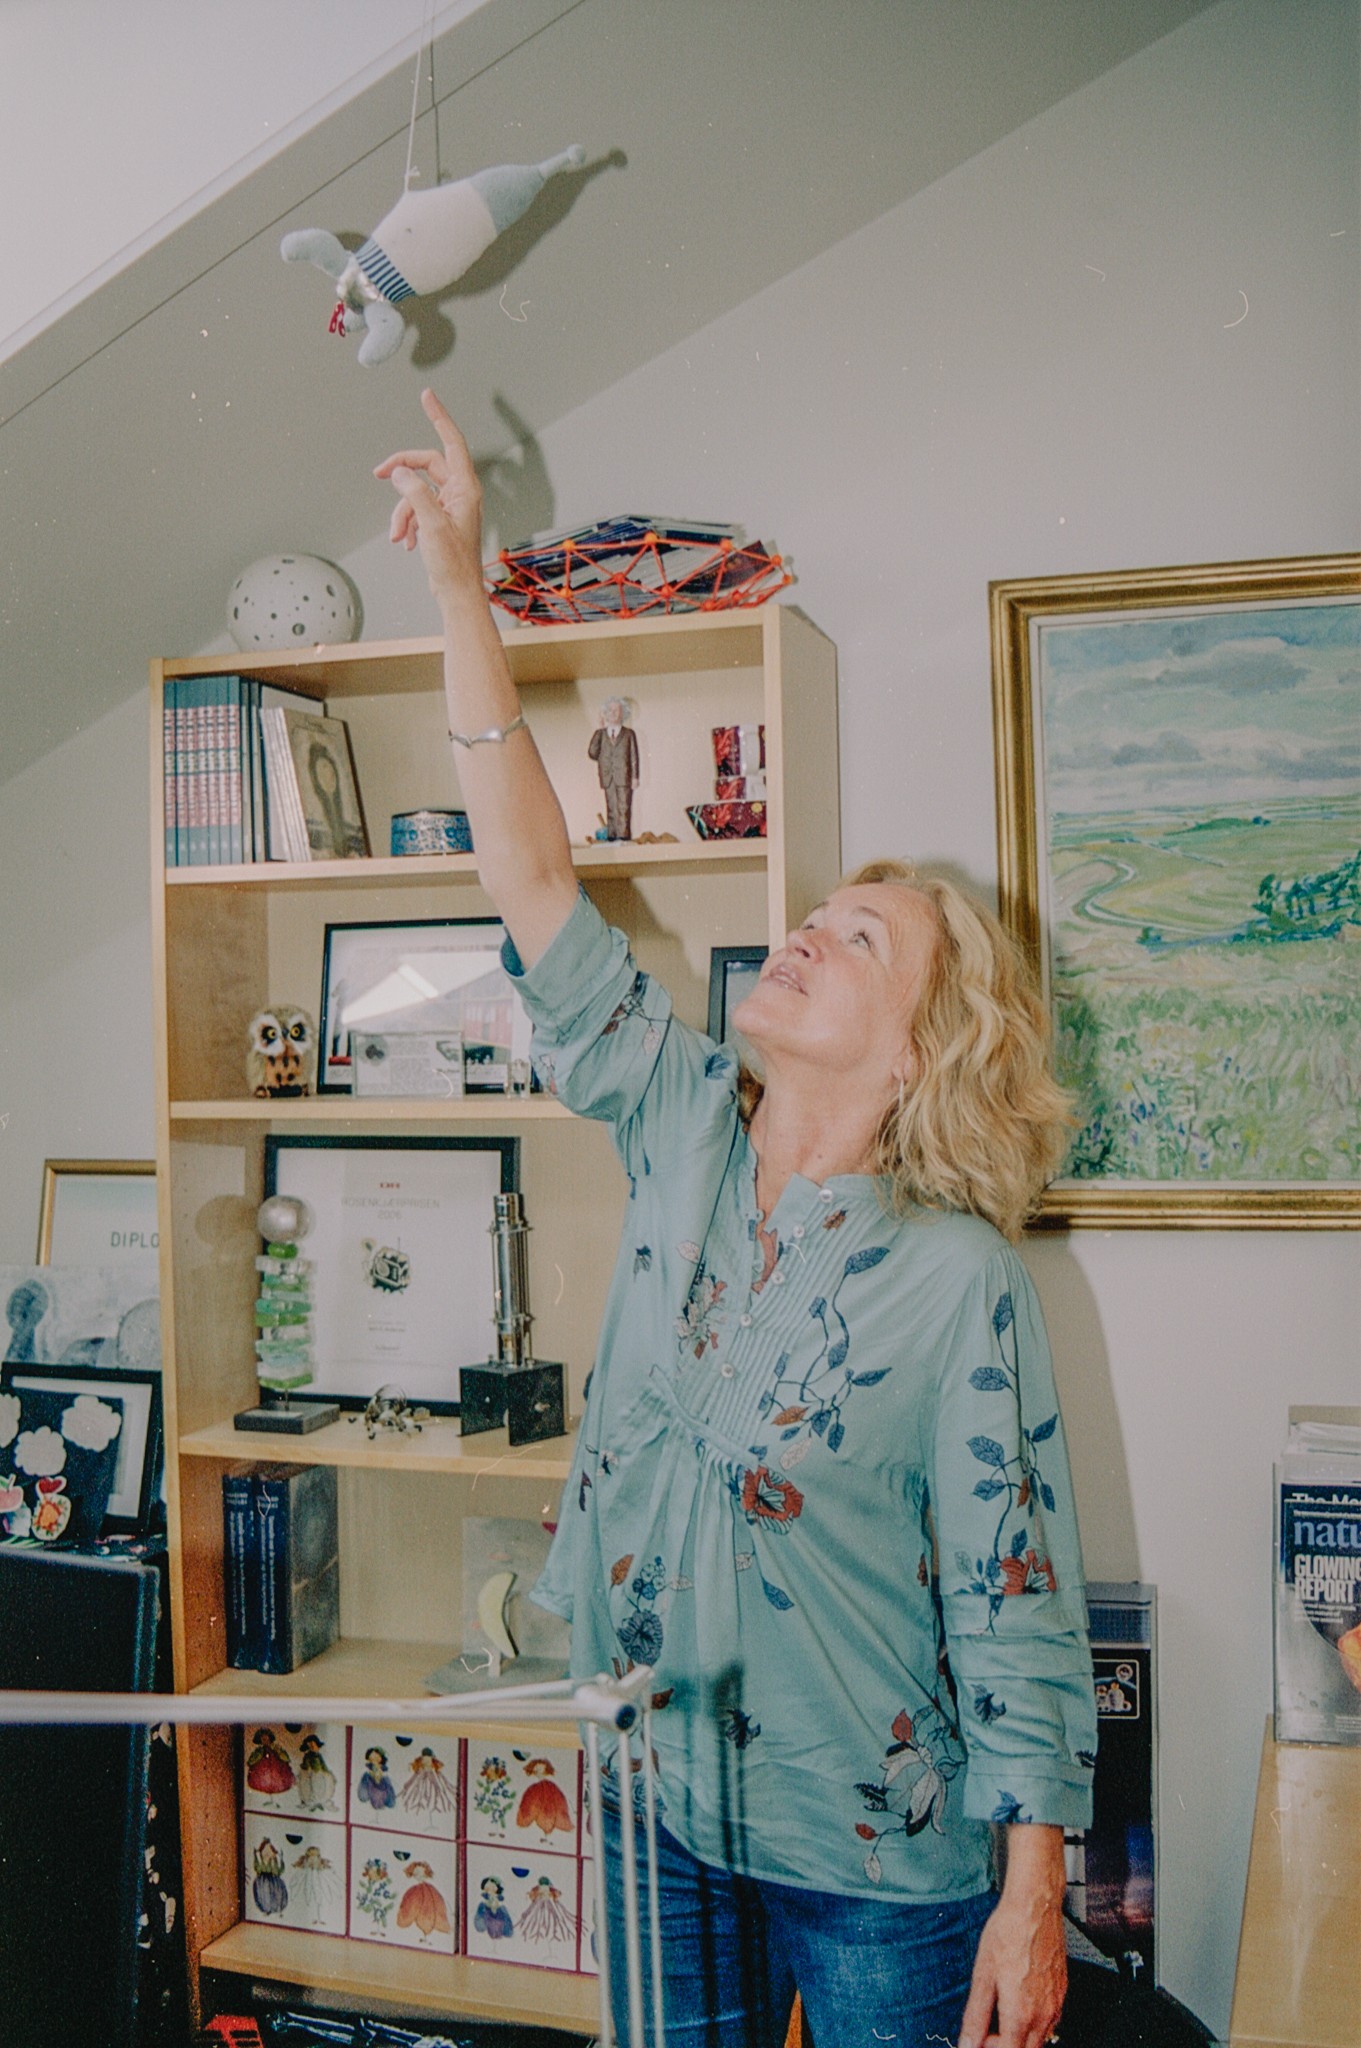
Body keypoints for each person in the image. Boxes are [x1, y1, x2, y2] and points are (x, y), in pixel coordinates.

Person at [378, 389, 1096, 2048]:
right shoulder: (680, 1120)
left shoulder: (953, 1279)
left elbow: (1013, 1592)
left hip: (874, 1858)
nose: (798, 937)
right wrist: (456, 589)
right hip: (651, 1804)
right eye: (811, 916)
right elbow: (533, 881)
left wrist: (1030, 1895)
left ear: (924, 1047)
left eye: (854, 941)